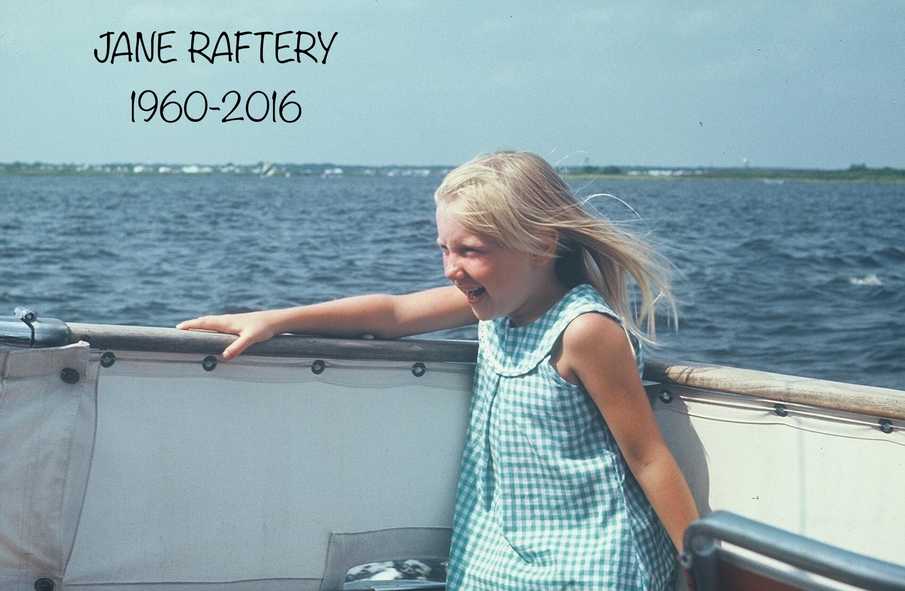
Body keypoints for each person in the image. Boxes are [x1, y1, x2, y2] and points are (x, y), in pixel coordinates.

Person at [178, 151, 699, 590]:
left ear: (541, 245)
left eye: (471, 251)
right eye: (445, 249)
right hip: (502, 554)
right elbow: (394, 314)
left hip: (589, 562)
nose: (451, 269)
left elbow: (648, 456)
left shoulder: (583, 330)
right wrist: (274, 320)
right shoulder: (493, 304)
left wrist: (698, 564)